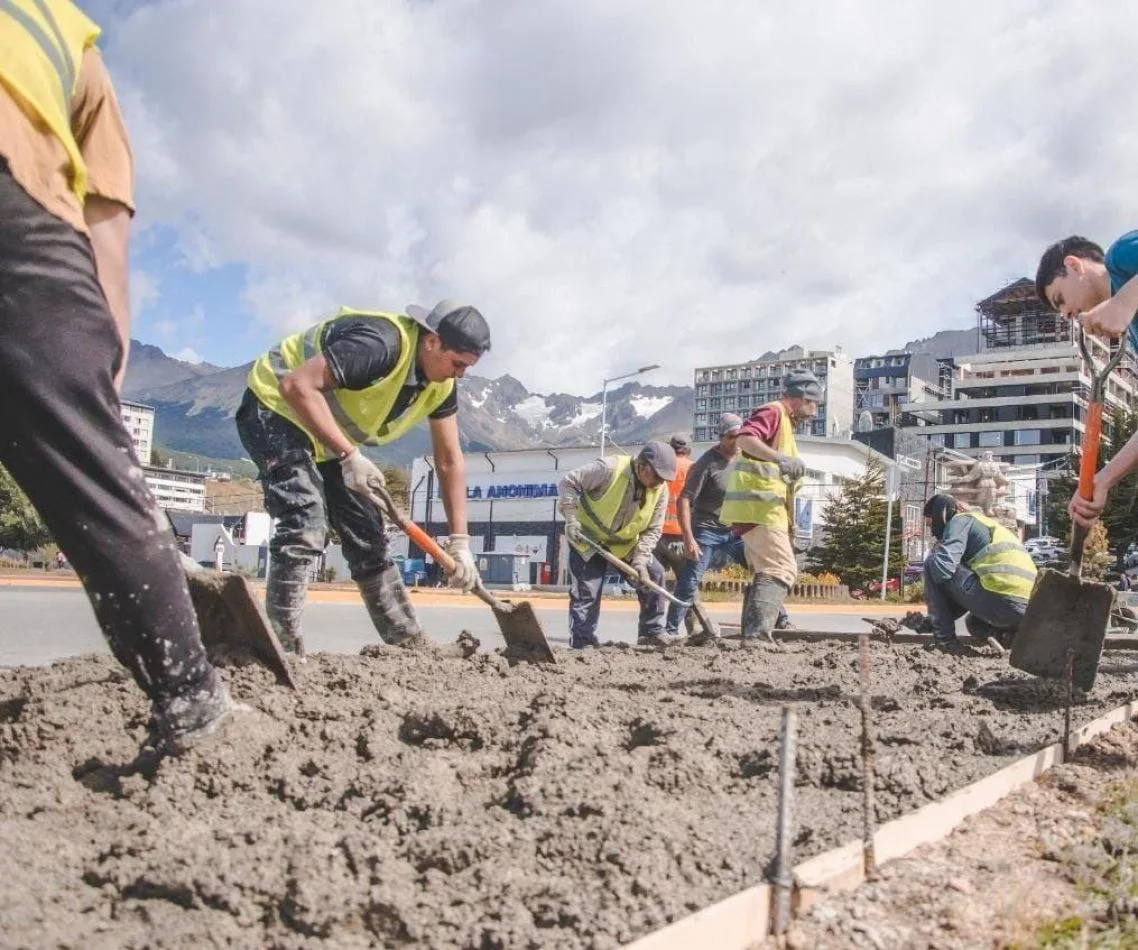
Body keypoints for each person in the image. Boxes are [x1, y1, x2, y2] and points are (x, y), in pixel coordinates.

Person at [0, 0, 233, 751]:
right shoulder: (66, 32)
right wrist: (100, 352)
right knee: (88, 466)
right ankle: (192, 699)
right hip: (19, 195)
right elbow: (106, 218)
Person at [238, 300, 490, 654]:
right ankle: (281, 647)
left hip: (326, 436)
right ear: (432, 341)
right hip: (277, 408)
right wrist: (350, 455)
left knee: (368, 534)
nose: (460, 374)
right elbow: (297, 386)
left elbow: (449, 460)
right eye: (458, 363)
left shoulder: (440, 385)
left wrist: (460, 542)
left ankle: (408, 640)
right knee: (304, 522)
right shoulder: (380, 344)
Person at [1036, 236, 1138, 527]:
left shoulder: (1121, 259)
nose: (1067, 313)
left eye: (1060, 299)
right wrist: (1103, 480)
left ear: (1073, 265)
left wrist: (1125, 300)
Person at [667, 413, 796, 637]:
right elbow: (685, 499)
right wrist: (688, 538)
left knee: (767, 571)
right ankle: (668, 630)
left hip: (736, 531)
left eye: (740, 436)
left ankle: (781, 620)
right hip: (707, 530)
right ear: (721, 437)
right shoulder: (706, 463)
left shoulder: (747, 458)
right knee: (690, 580)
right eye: (731, 437)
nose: (736, 442)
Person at [720, 371, 821, 641]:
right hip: (760, 509)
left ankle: (751, 635)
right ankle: (757, 637)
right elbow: (744, 438)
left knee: (765, 572)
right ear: (802, 398)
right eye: (814, 404)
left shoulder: (784, 422)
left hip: (761, 510)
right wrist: (780, 458)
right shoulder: (774, 411)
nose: (814, 412)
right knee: (780, 569)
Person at [558, 442, 676, 648]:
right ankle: (582, 643)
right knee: (587, 592)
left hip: (625, 543)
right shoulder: (609, 469)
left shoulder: (661, 490)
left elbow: (653, 529)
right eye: (656, 476)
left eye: (663, 478)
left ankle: (651, 632)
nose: (659, 482)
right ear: (642, 465)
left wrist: (640, 560)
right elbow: (569, 482)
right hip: (588, 539)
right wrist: (571, 518)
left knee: (653, 574)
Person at [921, 494, 1037, 651]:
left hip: (1002, 598)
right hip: (1026, 609)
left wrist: (936, 621)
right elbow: (963, 595)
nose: (933, 532)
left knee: (933, 562)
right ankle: (1009, 638)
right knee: (975, 624)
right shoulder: (985, 524)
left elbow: (942, 570)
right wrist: (931, 620)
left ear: (941, 515)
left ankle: (945, 641)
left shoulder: (960, 521)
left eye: (930, 525)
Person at [654, 432, 695, 630]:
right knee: (687, 588)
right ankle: (693, 630)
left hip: (657, 537)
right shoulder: (694, 469)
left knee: (653, 587)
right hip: (683, 538)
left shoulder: (661, 466)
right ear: (688, 450)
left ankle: (651, 630)